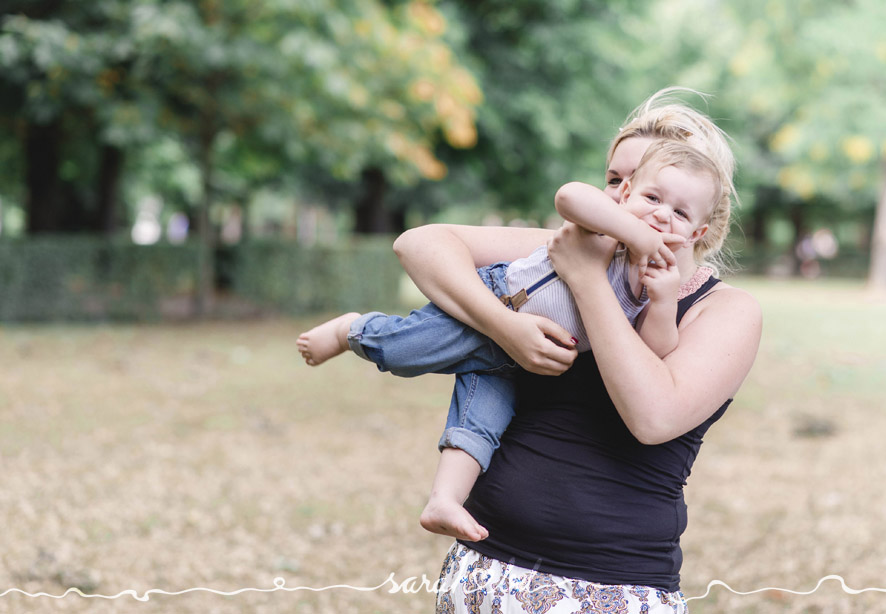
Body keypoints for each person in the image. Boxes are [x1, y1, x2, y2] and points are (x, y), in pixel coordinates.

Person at [391, 88, 762, 613]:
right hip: (487, 566)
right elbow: (419, 244)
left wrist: (587, 280)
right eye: (615, 181)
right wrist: (504, 327)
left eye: (664, 198)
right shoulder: (567, 249)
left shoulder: (724, 310)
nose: (620, 201)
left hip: (611, 585)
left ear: (701, 216)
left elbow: (653, 417)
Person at [297, 140, 719, 543]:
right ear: (625, 192)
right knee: (401, 352)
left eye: (679, 213)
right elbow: (569, 196)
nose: (662, 215)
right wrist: (636, 232)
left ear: (697, 233)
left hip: (516, 362)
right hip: (499, 301)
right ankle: (351, 330)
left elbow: (655, 353)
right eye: (652, 199)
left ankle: (444, 500)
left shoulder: (654, 280)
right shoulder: (597, 233)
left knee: (480, 424)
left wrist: (663, 303)